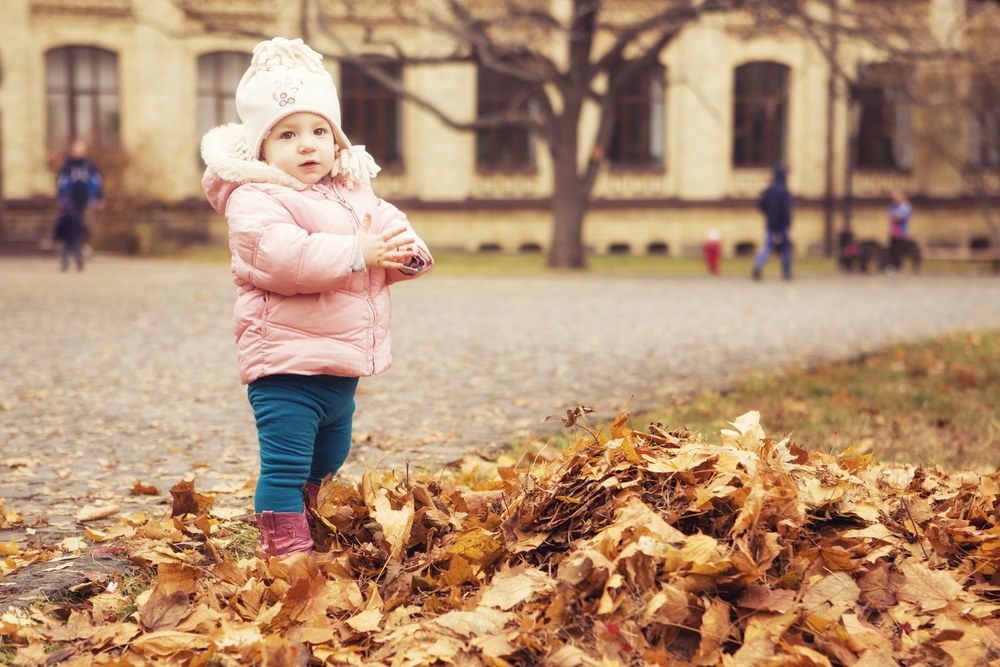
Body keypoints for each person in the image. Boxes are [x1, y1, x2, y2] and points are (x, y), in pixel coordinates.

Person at [200, 37, 433, 559]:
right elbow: (281, 257)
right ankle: (284, 543)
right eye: (288, 134)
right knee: (285, 462)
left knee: (329, 456)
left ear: (336, 139)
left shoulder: (351, 192)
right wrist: (356, 252)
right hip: (285, 365)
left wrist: (407, 254)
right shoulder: (255, 198)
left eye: (319, 131)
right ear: (261, 148)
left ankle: (304, 511)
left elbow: (391, 225)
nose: (307, 145)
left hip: (339, 367)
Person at [752, 165, 793, 281]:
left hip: (770, 224)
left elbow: (761, 205)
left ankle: (758, 266)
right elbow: (786, 210)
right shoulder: (784, 191)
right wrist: (788, 224)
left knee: (767, 247)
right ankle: (786, 273)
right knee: (786, 248)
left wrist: (769, 213)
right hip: (782, 225)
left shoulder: (768, 190)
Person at [56, 139, 104, 215]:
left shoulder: (90, 166)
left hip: (88, 202)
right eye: (76, 152)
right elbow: (62, 183)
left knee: (87, 221)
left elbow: (97, 182)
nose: (78, 154)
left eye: (80, 152)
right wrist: (62, 198)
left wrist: (99, 197)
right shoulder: (67, 166)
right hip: (70, 204)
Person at [52, 205, 89, 271]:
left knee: (65, 251)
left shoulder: (63, 217)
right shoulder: (76, 216)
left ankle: (65, 264)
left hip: (67, 237)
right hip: (75, 236)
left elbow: (59, 228)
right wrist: (82, 234)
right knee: (76, 250)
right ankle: (79, 263)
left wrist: (56, 237)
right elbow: (81, 226)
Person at [886, 190, 911, 274]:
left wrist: (895, 217)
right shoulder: (893, 206)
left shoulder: (906, 205)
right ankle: (891, 266)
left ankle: (898, 267)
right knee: (892, 249)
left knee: (899, 250)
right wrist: (895, 217)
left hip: (902, 231)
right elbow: (889, 215)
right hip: (893, 230)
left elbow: (901, 216)